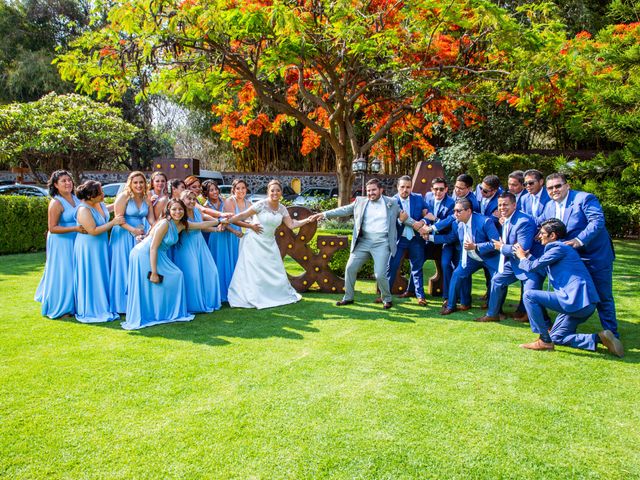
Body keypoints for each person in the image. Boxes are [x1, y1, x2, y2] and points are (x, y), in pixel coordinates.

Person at [514, 219, 624, 357]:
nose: (539, 236)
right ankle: (598, 338)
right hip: (584, 304)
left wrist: (521, 257)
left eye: (542, 233)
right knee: (557, 337)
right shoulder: (561, 249)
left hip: (574, 301)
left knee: (529, 295)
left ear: (552, 236)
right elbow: (540, 268)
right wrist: (528, 256)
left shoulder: (557, 248)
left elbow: (532, 267)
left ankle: (543, 340)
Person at [538, 173, 619, 339]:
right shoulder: (548, 207)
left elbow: (597, 221)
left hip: (595, 256)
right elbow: (542, 225)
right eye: (550, 188)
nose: (554, 190)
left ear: (567, 185)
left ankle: (612, 335)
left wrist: (579, 240)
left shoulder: (584, 199)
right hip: (571, 261)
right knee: (570, 294)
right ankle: (563, 331)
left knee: (603, 297)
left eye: (558, 186)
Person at [310, 178, 409, 309]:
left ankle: (387, 298)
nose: (370, 193)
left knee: (380, 274)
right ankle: (348, 297)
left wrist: (421, 226)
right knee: (350, 268)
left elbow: (404, 217)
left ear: (381, 190)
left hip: (382, 243)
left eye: (373, 190)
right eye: (368, 191)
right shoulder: (360, 202)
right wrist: (324, 214)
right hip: (363, 242)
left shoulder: (392, 203)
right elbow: (343, 210)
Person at [122, 199, 219, 330]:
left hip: (158, 253)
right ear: (168, 210)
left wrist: (220, 221)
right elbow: (153, 247)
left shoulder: (182, 225)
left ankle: (163, 312)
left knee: (177, 275)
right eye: (174, 209)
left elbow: (201, 225)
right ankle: (154, 314)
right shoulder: (164, 224)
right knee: (159, 280)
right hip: (144, 254)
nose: (177, 212)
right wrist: (154, 272)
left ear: (184, 211)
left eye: (180, 209)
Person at [222, 179, 307, 309]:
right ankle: (253, 296)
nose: (275, 193)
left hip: (270, 243)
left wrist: (308, 220)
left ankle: (273, 295)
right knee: (254, 272)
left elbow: (292, 224)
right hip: (254, 242)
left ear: (281, 193)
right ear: (268, 192)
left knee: (274, 270)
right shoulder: (261, 205)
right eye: (272, 190)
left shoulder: (282, 209)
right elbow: (243, 215)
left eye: (278, 190)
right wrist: (227, 221)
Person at [475, 193, 542, 323]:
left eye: (505, 204)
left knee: (531, 295)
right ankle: (492, 314)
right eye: (500, 205)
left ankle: (545, 326)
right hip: (513, 262)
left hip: (530, 265)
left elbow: (523, 248)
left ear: (514, 205)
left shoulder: (523, 221)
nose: (502, 207)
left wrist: (501, 247)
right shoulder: (507, 218)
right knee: (496, 280)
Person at [430, 198, 500, 315]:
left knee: (497, 281)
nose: (455, 214)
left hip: (490, 258)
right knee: (457, 274)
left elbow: (496, 243)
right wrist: (430, 238)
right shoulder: (457, 224)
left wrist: (476, 246)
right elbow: (450, 238)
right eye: (454, 211)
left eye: (458, 211)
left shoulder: (485, 222)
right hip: (471, 258)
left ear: (469, 211)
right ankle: (451, 306)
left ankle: (495, 312)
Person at [35, 170, 84, 318]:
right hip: (61, 242)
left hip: (75, 239)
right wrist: (75, 228)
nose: (68, 183)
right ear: (56, 185)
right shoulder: (56, 202)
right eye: (63, 181)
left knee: (75, 272)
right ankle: (60, 307)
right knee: (63, 272)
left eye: (69, 180)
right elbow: (52, 227)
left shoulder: (76, 198)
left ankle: (75, 305)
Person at [74, 181, 124, 323]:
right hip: (88, 247)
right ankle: (92, 308)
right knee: (92, 274)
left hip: (101, 245)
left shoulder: (99, 204)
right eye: (100, 192)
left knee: (102, 273)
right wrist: (113, 222)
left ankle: (104, 303)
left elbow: (111, 208)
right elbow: (93, 231)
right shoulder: (84, 210)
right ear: (91, 196)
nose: (103, 194)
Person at [109, 171, 156, 313]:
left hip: (140, 235)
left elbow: (151, 219)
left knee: (138, 267)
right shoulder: (123, 197)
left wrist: (154, 229)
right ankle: (121, 305)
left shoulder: (146, 198)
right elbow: (119, 219)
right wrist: (133, 230)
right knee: (123, 267)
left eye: (141, 182)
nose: (139, 185)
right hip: (122, 235)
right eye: (135, 182)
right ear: (130, 183)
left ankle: (136, 301)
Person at [173, 190, 222, 314]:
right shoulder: (180, 215)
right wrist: (219, 221)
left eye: (194, 199)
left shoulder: (197, 211)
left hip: (200, 244)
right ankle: (193, 305)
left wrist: (217, 229)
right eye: (188, 198)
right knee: (193, 275)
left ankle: (209, 301)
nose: (191, 201)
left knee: (212, 272)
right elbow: (197, 225)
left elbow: (202, 226)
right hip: (186, 245)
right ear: (182, 200)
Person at [386, 175, 428, 305]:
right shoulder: (391, 201)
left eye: (408, 187)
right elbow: (389, 223)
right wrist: (400, 220)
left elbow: (428, 214)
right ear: (397, 187)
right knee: (392, 266)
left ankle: (420, 296)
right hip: (399, 239)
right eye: (402, 187)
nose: (405, 190)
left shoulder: (418, 198)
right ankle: (385, 295)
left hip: (416, 239)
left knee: (417, 267)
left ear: (411, 188)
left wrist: (422, 222)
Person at [420, 177, 458, 306]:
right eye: (436, 189)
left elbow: (449, 222)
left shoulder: (452, 203)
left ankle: (447, 296)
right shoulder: (428, 197)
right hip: (427, 237)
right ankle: (414, 291)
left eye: (441, 189)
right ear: (431, 189)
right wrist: (425, 225)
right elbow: (424, 215)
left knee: (446, 264)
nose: (438, 192)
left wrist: (434, 222)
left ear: (446, 189)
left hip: (445, 240)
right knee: (417, 259)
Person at [218, 179, 256, 302]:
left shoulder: (249, 203)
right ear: (233, 190)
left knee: (240, 263)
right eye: (238, 188)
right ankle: (227, 291)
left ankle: (240, 291)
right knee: (229, 262)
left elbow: (252, 219)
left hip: (242, 235)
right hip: (230, 234)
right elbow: (232, 219)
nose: (241, 191)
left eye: (243, 188)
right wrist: (248, 226)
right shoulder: (230, 201)